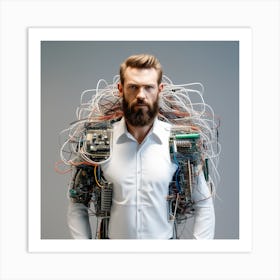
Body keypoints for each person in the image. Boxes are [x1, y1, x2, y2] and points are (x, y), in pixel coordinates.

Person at [67, 54, 215, 239]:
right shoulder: (98, 142)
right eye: (133, 87)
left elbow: (204, 204)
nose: (141, 95)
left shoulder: (179, 143)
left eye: (148, 87)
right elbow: (77, 203)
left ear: (160, 90)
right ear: (120, 89)